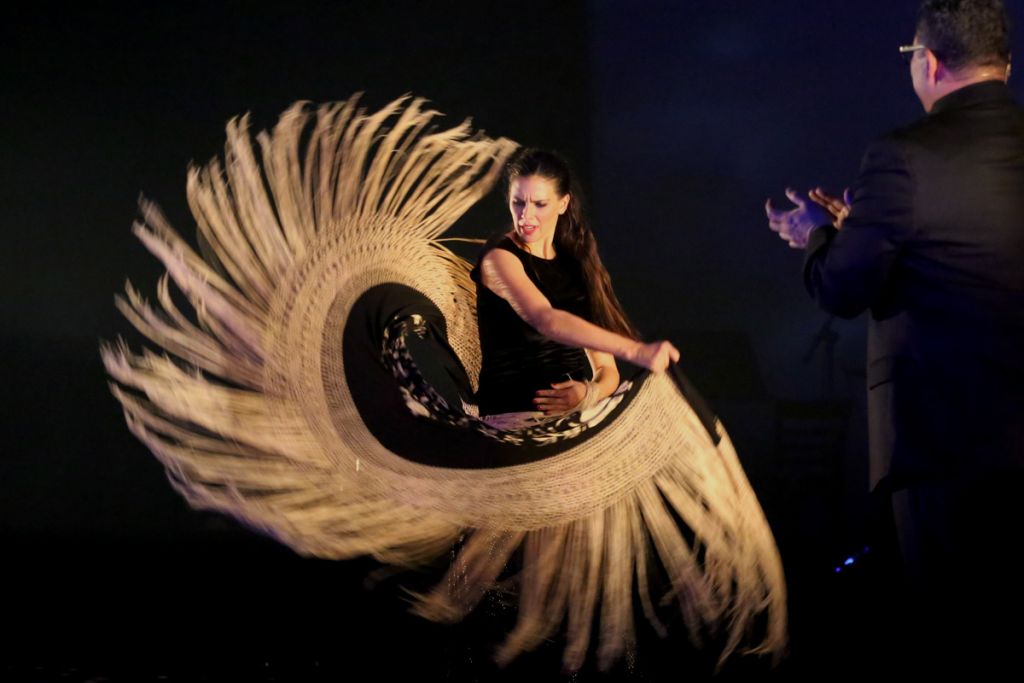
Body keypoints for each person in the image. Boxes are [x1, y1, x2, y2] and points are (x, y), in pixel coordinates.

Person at [765, 0, 1024, 669]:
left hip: (940, 447)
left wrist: (818, 235)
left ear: (929, 63)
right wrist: (862, 228)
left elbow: (842, 289)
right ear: (1005, 64)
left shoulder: (904, 157)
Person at [472, 148, 679, 423]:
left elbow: (607, 371)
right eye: (518, 203)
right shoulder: (499, 257)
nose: (525, 215)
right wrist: (637, 351)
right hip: (511, 419)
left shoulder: (574, 264)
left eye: (540, 204)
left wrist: (588, 393)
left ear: (563, 204)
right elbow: (545, 319)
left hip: (572, 419)